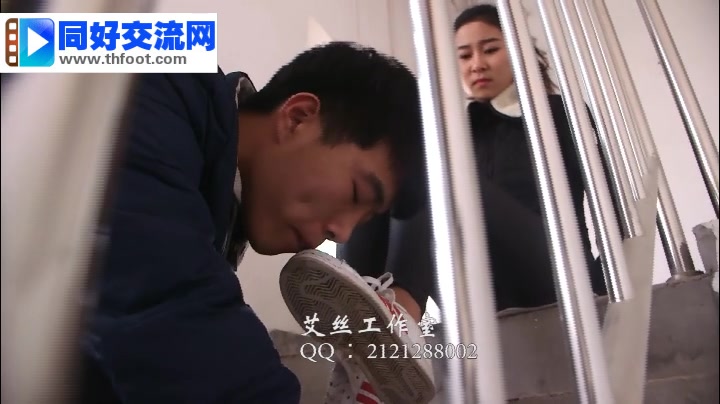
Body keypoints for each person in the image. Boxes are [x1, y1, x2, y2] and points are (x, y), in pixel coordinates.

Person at [281, 4, 609, 402]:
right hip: (475, 281)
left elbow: (606, 199)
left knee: (429, 161)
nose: (477, 64)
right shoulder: (458, 128)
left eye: (490, 49)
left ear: (520, 50)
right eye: (464, 55)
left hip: (550, 268)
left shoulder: (556, 112)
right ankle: (365, 331)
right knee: (388, 170)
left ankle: (399, 317)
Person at [78, 41, 434, 404]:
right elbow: (158, 293)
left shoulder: (217, 210)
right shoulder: (163, 63)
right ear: (297, 118)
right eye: (357, 193)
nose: (342, 232)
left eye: (364, 220)